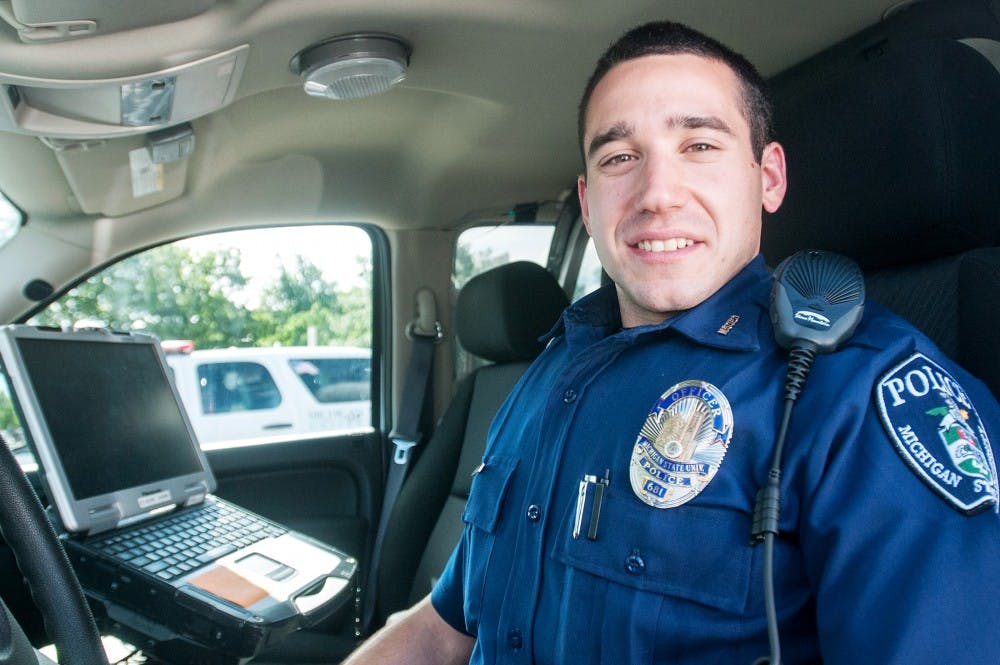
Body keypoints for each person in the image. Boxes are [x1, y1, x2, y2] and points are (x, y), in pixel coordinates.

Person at [344, 20, 1000, 664]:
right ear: (589, 198)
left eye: (700, 146)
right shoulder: (545, 377)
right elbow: (443, 624)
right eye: (619, 157)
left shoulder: (861, 395)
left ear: (768, 178)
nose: (657, 193)